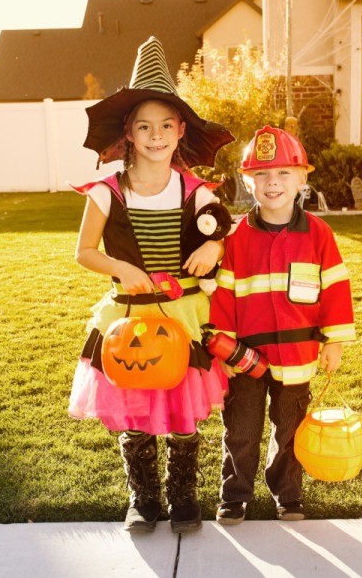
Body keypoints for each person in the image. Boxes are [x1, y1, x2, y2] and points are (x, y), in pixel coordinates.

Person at [68, 36, 234, 534]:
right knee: (138, 408)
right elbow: (84, 252)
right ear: (130, 133)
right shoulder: (107, 191)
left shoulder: (197, 191)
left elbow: (220, 233)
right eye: (145, 126)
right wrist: (121, 268)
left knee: (184, 413)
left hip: (183, 314)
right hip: (130, 318)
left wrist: (213, 249)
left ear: (180, 130)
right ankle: (143, 500)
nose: (156, 135)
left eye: (166, 125)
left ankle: (183, 500)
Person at [210, 125, 356, 524]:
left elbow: (336, 290)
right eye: (261, 175)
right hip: (245, 359)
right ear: (248, 181)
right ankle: (235, 494)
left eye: (283, 174)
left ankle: (288, 495)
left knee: (289, 430)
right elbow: (222, 294)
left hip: (298, 355)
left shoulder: (319, 234)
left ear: (302, 179)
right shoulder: (236, 237)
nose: (272, 183)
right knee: (240, 430)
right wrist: (221, 346)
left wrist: (335, 342)